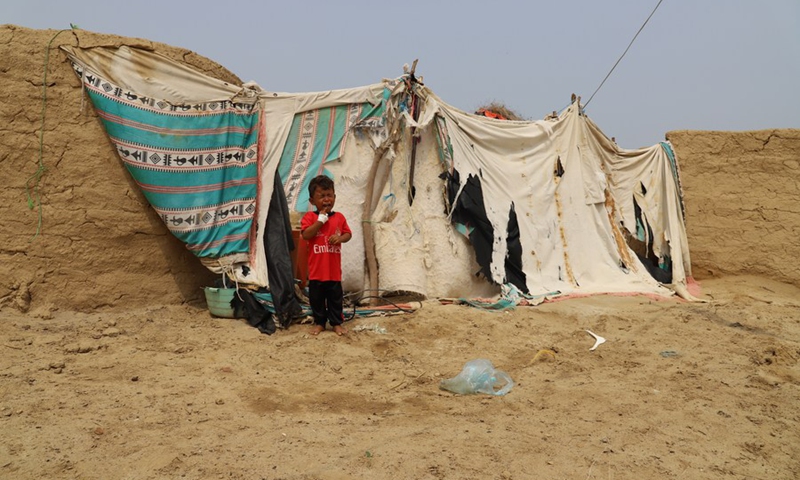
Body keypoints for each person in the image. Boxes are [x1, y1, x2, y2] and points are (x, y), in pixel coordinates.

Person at [300, 175, 352, 336]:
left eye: (329, 195)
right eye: (321, 196)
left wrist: (340, 238)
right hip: (316, 272)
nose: (326, 199)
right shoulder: (310, 217)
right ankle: (320, 322)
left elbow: (348, 234)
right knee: (317, 299)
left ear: (335, 197)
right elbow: (306, 235)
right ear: (312, 200)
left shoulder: (339, 217)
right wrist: (320, 221)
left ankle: (336, 323)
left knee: (335, 299)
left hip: (334, 271)